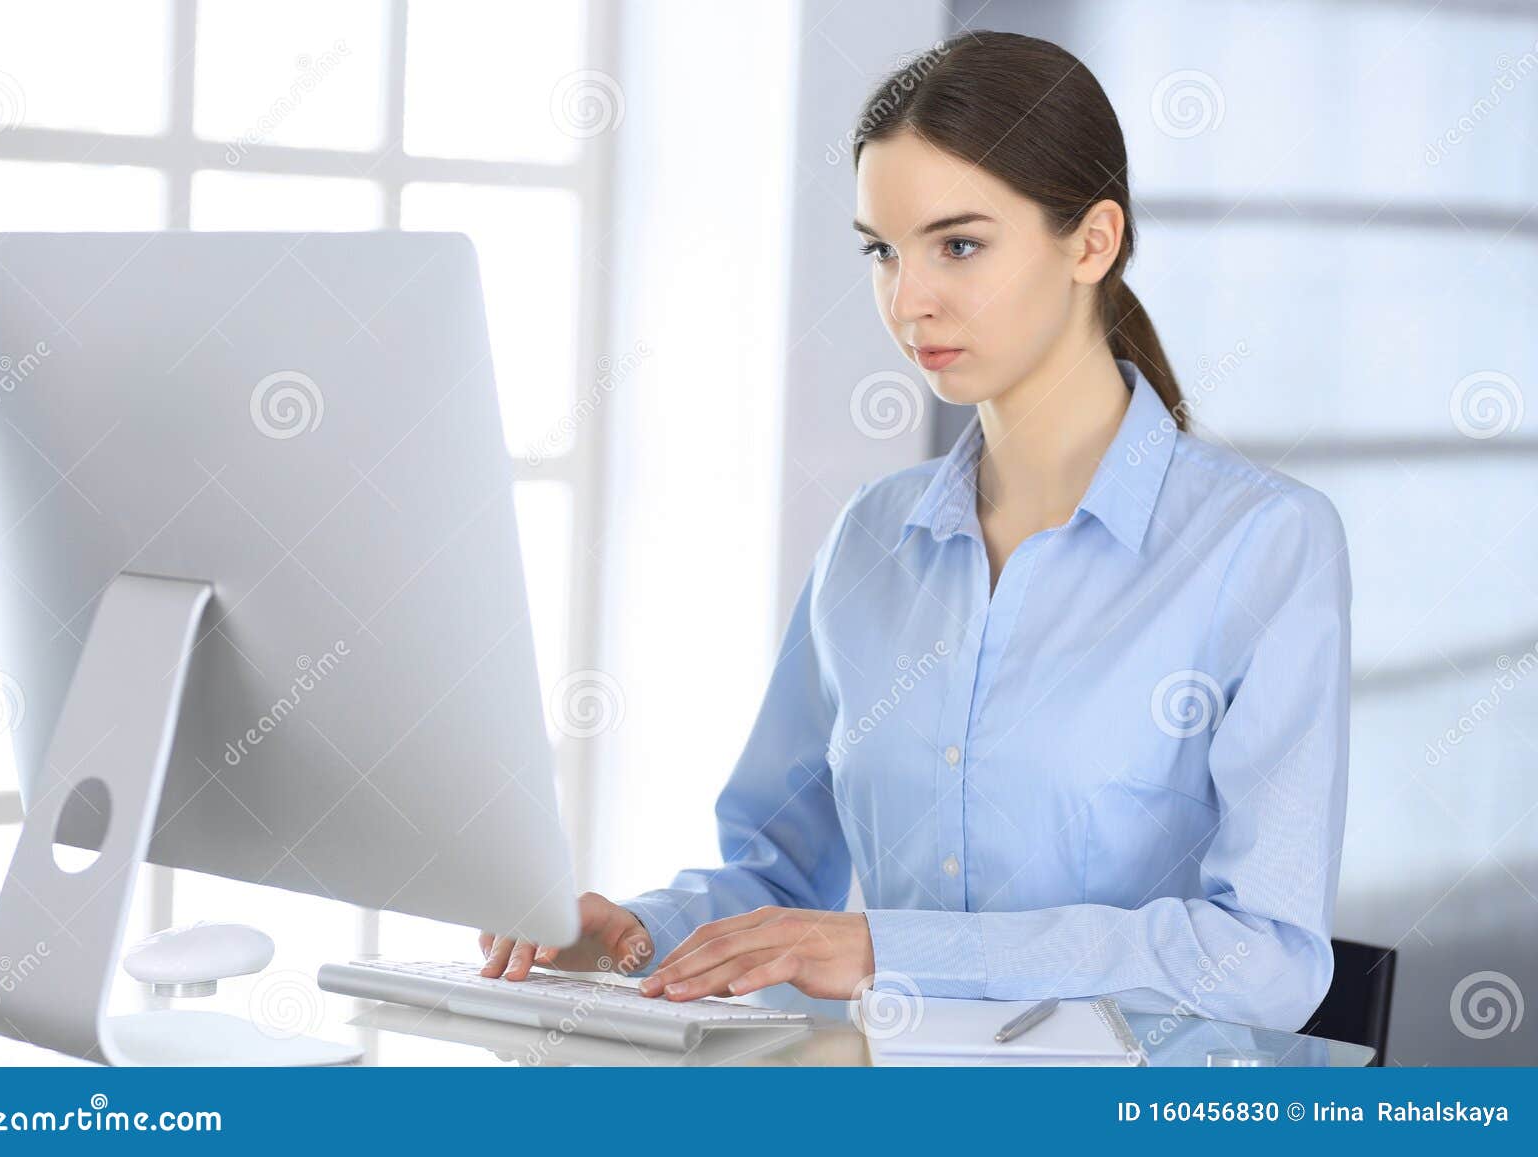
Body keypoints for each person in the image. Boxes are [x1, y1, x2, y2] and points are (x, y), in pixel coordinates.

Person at [479, 30, 1351, 1032]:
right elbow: (777, 878)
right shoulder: (870, 538)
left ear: (1092, 241)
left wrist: (897, 950)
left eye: (959, 245)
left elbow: (1267, 960)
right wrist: (628, 932)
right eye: (881, 251)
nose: (909, 299)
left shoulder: (1262, 544)